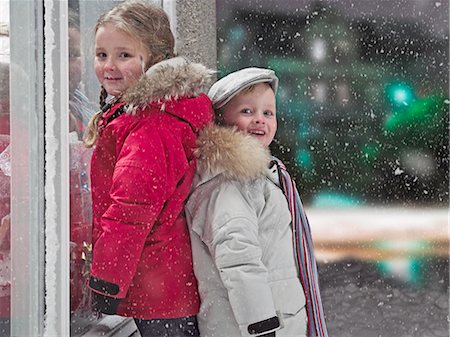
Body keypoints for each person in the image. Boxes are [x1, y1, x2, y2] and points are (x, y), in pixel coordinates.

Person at [83, 1, 214, 336]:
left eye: (124, 55)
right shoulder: (145, 110)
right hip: (163, 281)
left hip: (159, 288)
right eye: (101, 55)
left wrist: (106, 281)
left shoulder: (152, 124)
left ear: (155, 58)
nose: (109, 66)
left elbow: (132, 209)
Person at [185, 68, 329, 337]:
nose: (260, 120)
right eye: (247, 112)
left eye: (268, 113)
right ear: (220, 120)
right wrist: (261, 325)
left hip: (278, 318)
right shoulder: (228, 184)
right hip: (256, 327)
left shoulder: (259, 177)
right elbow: (239, 260)